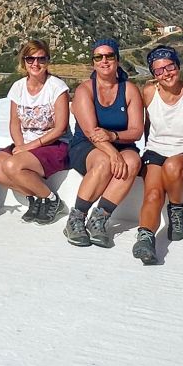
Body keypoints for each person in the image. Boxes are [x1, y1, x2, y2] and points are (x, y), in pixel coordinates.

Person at [132, 46, 183, 265]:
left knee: (172, 166)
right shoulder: (149, 92)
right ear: (153, 74)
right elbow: (148, 126)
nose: (166, 73)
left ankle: (176, 209)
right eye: (159, 70)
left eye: (170, 67)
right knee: (153, 194)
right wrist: (148, 151)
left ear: (178, 66)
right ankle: (145, 239)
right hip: (155, 150)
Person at [63, 38, 145, 248]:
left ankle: (99, 218)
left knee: (133, 162)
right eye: (98, 57)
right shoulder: (84, 90)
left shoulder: (129, 90)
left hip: (119, 142)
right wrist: (113, 153)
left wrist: (114, 137)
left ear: (117, 60)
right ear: (93, 62)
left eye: (109, 56)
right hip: (87, 146)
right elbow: (92, 133)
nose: (104, 60)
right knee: (104, 162)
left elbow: (136, 131)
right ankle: (76, 218)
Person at [0, 39, 71, 225]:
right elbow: (15, 124)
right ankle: (38, 198)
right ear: (24, 62)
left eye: (41, 59)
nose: (35, 64)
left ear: (48, 61)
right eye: (30, 59)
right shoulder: (18, 87)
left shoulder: (57, 88)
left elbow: (60, 127)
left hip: (54, 144)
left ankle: (52, 200)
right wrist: (20, 145)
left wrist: (29, 147)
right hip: (26, 144)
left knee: (12, 165)